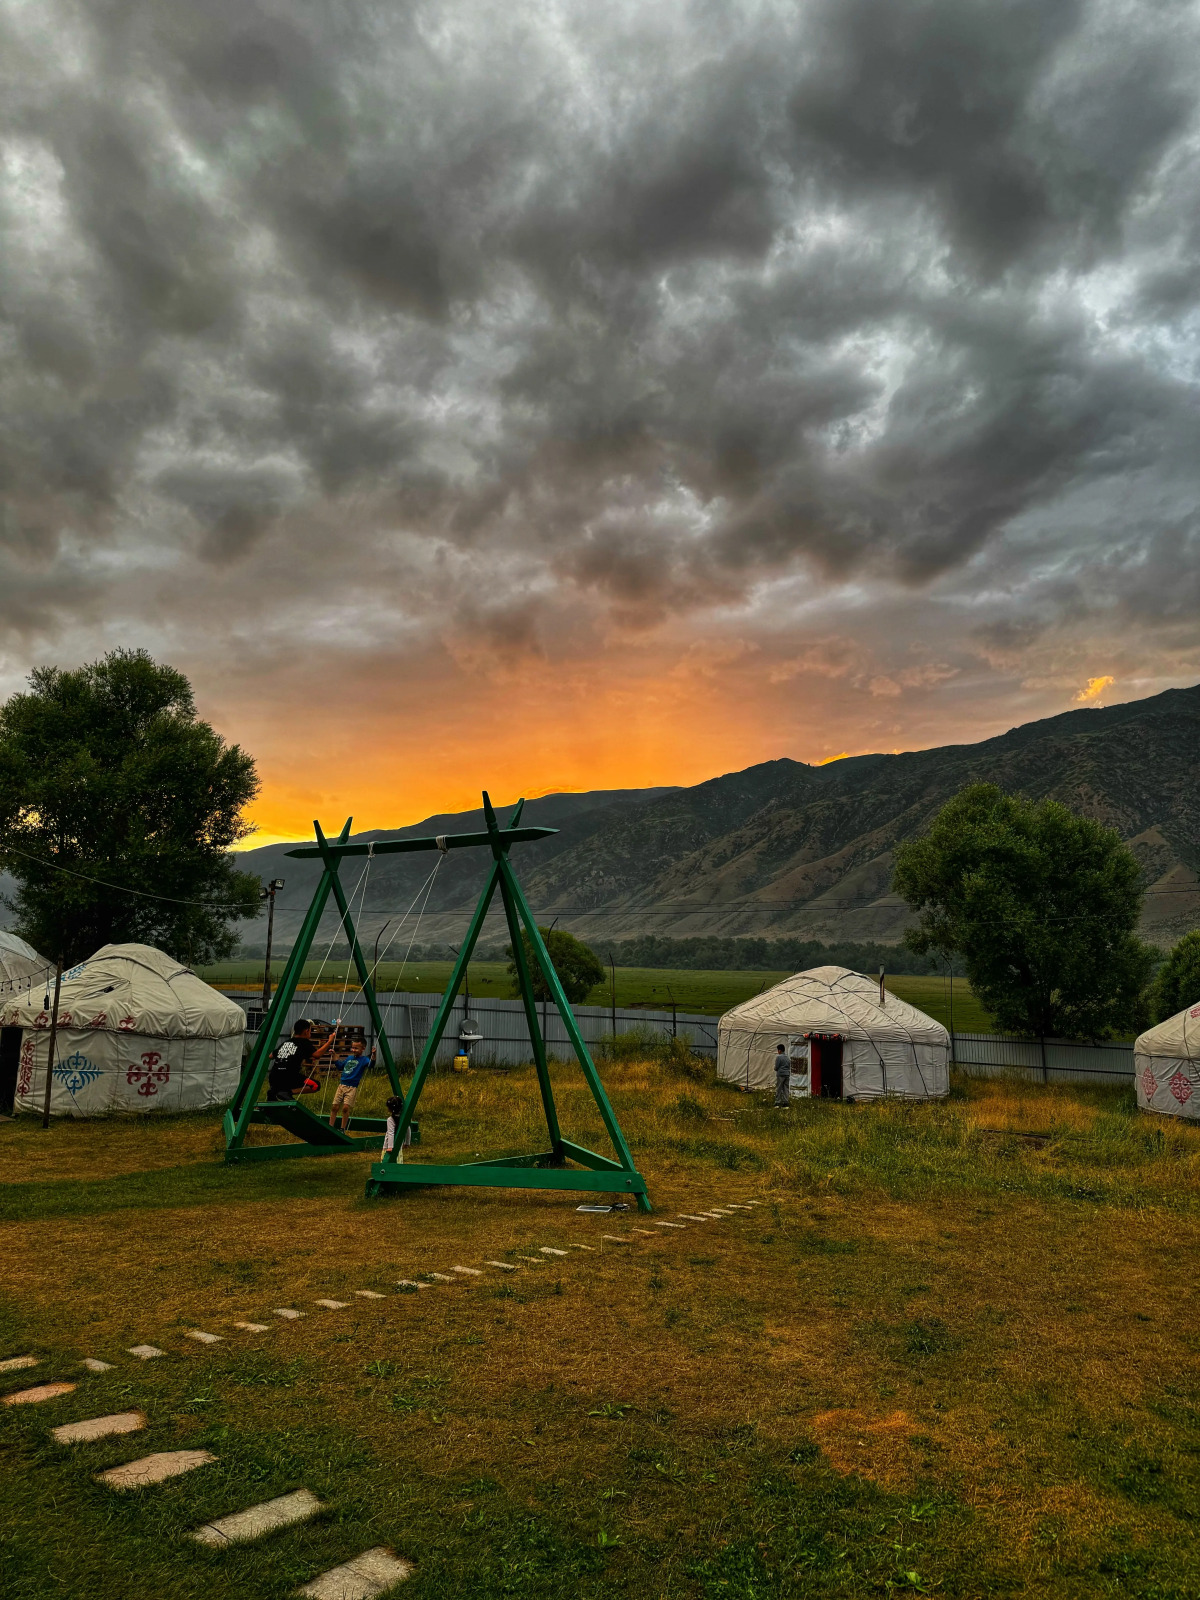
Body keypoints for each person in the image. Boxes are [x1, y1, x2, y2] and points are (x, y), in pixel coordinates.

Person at [267, 1019, 334, 1101]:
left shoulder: (286, 1042)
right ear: (306, 1031)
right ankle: (288, 1092)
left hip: (274, 1077)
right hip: (290, 1077)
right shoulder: (304, 1042)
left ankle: (273, 1093)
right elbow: (317, 1055)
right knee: (315, 1086)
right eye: (310, 1030)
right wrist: (330, 1041)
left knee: (275, 1099)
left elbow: (270, 1056)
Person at [330, 1039, 375, 1130]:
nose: (353, 1050)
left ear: (363, 1049)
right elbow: (340, 1066)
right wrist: (334, 1055)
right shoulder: (349, 1058)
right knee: (335, 1107)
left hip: (352, 1087)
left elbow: (371, 1065)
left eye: (356, 1048)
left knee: (345, 1108)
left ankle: (342, 1128)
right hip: (341, 1085)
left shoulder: (364, 1059)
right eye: (352, 1047)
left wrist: (373, 1055)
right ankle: (330, 1126)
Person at [382, 1093, 412, 1161]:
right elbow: (408, 1130)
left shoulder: (390, 1120)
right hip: (399, 1145)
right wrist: (407, 1143)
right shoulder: (403, 1119)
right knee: (398, 1160)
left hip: (388, 1146)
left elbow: (390, 1133)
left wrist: (390, 1147)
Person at [773, 1042, 791, 1109]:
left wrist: (775, 1068)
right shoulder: (788, 1058)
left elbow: (776, 1067)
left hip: (780, 1074)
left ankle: (777, 1102)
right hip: (787, 1074)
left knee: (779, 1088)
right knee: (786, 1089)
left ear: (779, 1050)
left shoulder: (779, 1057)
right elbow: (789, 1066)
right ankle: (785, 1103)